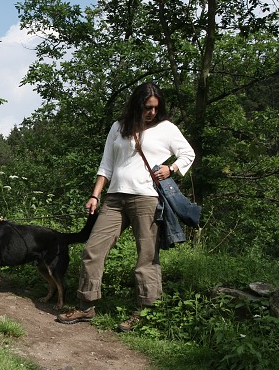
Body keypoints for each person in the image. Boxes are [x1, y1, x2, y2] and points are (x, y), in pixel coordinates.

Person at [57, 81, 195, 331]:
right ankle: (86, 306)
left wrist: (171, 168)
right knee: (93, 250)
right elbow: (106, 165)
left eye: (155, 107)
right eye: (146, 107)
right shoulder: (118, 128)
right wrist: (95, 196)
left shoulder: (167, 128)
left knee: (147, 257)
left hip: (147, 199)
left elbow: (188, 154)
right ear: (136, 105)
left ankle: (146, 312)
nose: (151, 112)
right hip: (114, 198)